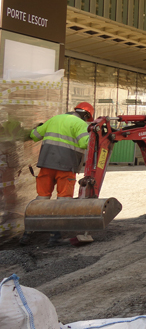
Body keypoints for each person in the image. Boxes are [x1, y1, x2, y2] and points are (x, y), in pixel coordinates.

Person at [21, 102, 94, 246]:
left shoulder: (54, 119)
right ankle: (55, 236)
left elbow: (33, 135)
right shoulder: (80, 124)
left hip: (46, 164)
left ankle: (27, 233)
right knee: (63, 200)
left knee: (42, 197)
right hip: (65, 167)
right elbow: (85, 143)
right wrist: (96, 135)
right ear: (86, 115)